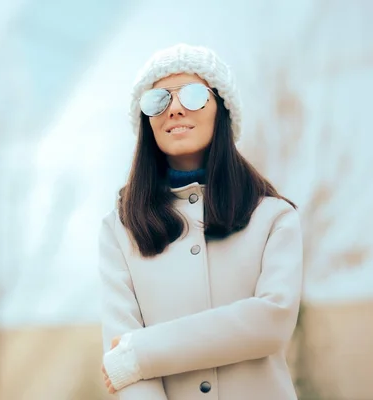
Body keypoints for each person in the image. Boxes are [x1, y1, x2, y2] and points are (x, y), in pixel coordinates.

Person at [98, 43, 303, 400]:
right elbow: (122, 361)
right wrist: (129, 359)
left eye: (193, 95)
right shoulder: (119, 229)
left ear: (221, 109)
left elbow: (271, 322)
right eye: (158, 100)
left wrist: (142, 353)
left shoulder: (273, 217)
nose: (174, 109)